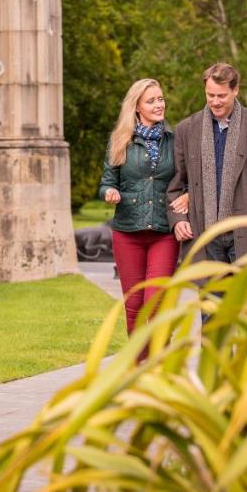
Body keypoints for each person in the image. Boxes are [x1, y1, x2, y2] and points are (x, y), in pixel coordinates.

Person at [167, 63, 247, 265]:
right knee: (212, 298)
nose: (215, 101)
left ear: (235, 90)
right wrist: (178, 220)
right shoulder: (186, 130)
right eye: (210, 95)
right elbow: (175, 182)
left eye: (221, 96)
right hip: (203, 236)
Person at [97, 78, 183, 344]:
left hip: (163, 233)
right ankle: (140, 371)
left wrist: (188, 195)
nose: (159, 105)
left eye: (160, 99)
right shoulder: (119, 141)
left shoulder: (175, 141)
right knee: (134, 307)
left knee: (156, 302)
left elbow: (186, 178)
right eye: (151, 101)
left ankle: (160, 367)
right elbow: (106, 182)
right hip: (127, 232)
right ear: (137, 107)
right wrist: (109, 193)